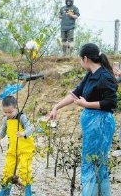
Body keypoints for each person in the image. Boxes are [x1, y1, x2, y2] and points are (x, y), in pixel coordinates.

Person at [49, 43, 117, 195]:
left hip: (101, 124)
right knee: (93, 161)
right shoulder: (91, 75)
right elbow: (75, 93)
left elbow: (111, 102)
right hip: (91, 124)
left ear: (85, 58)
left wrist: (86, 104)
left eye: (80, 59)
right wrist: (56, 107)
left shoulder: (104, 76)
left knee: (94, 162)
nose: (80, 62)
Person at [0, 96, 34, 196]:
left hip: (25, 150)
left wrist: (23, 133)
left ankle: (28, 193)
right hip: (13, 150)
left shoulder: (21, 117)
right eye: (5, 112)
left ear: (16, 108)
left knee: (24, 171)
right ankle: (5, 192)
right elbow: (2, 133)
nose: (7, 114)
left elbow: (31, 128)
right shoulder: (5, 120)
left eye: (10, 112)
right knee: (8, 171)